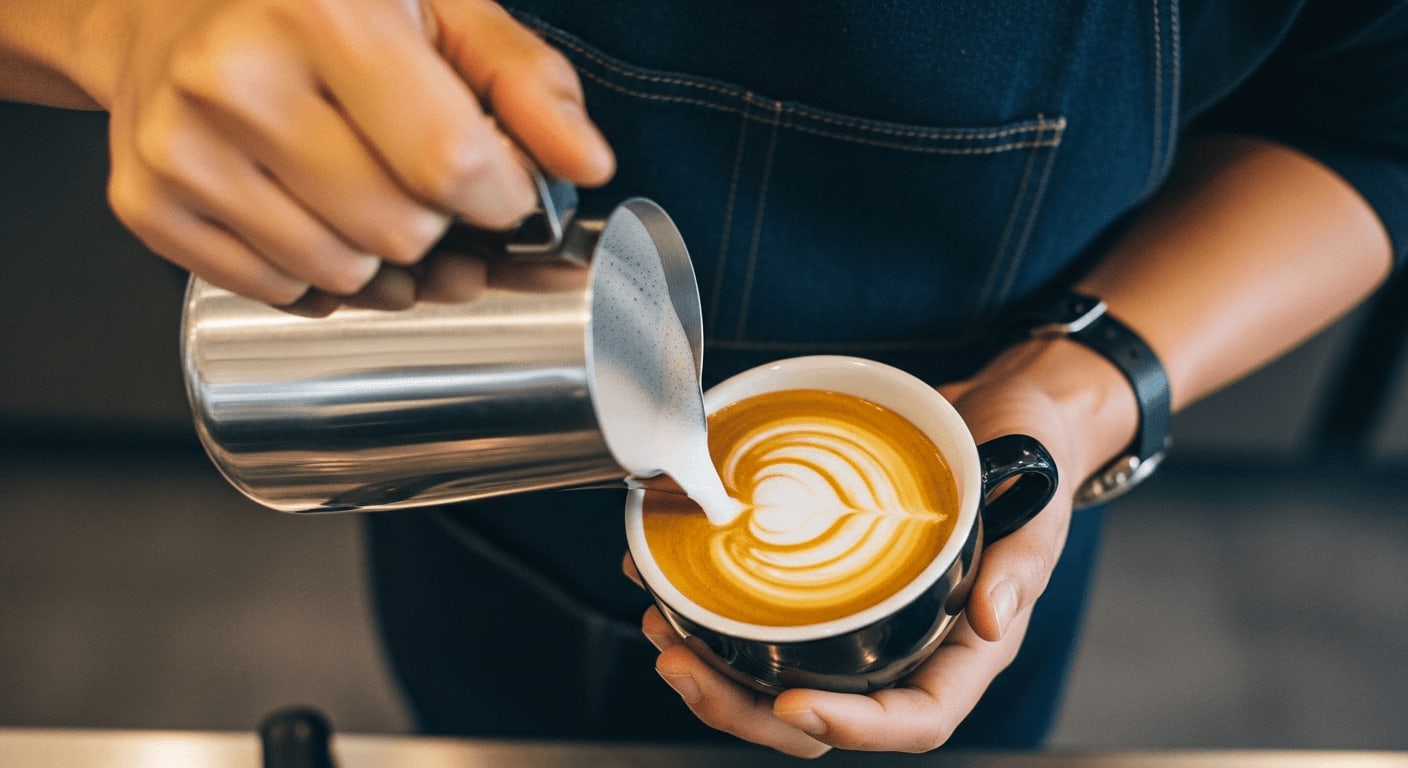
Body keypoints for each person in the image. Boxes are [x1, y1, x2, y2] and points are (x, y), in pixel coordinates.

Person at [4, 0, 1405, 757]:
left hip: (974, 549)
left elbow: (1376, 130)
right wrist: (129, 25)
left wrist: (1080, 387)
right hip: (492, 498)